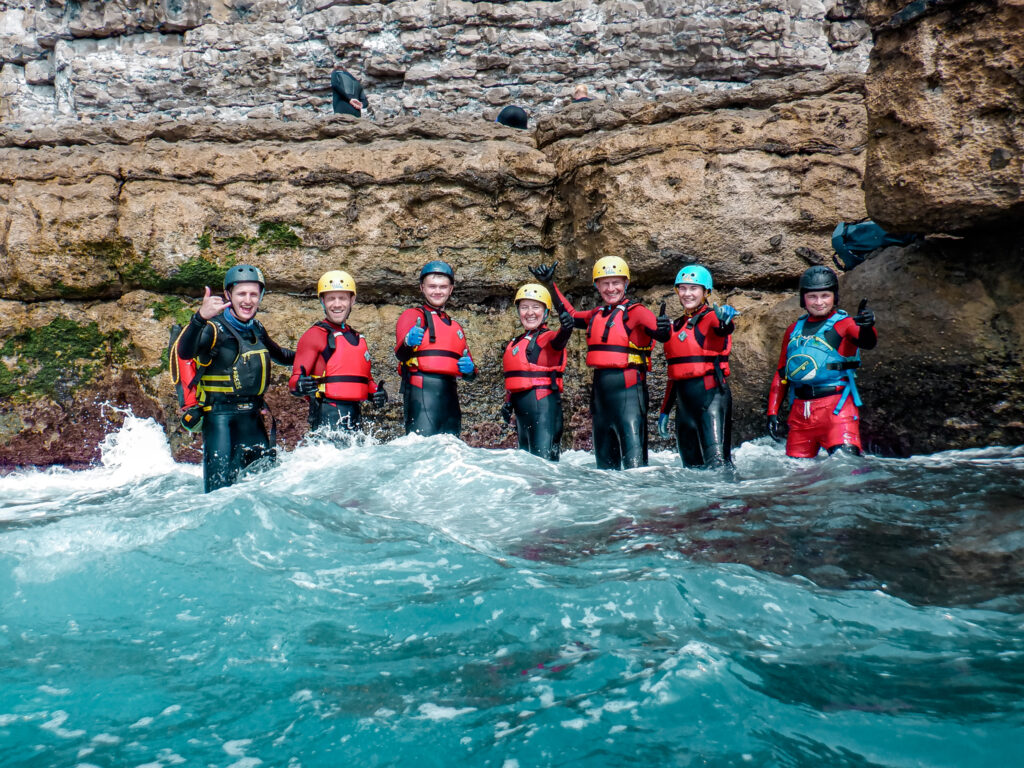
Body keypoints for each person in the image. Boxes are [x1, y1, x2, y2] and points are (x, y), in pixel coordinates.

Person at [531, 258, 672, 469]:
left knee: (636, 470)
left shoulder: (637, 312)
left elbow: (662, 334)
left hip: (630, 396)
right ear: (597, 285)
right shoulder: (597, 314)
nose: (610, 288)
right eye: (604, 283)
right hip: (601, 400)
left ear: (626, 283)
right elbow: (569, 315)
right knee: (605, 472)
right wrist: (550, 285)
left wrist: (663, 329)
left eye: (616, 282)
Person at [175, 265, 295, 492]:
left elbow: (281, 356)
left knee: (264, 489)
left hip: (252, 417)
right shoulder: (214, 329)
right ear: (228, 295)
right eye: (241, 294)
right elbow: (185, 352)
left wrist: (320, 357)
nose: (248, 300)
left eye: (253, 294)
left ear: (260, 297)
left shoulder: (256, 329)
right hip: (220, 420)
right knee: (219, 493)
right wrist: (199, 318)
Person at [766, 265, 877, 457]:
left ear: (834, 297)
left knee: (846, 469)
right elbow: (782, 373)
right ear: (803, 299)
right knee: (798, 479)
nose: (819, 302)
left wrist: (867, 326)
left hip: (837, 410)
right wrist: (772, 411)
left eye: (825, 296)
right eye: (812, 297)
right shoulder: (793, 330)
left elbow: (867, 342)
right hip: (801, 414)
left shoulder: (846, 324)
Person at [656, 265, 736, 468]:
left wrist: (726, 320)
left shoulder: (711, 317)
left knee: (719, 466)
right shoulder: (676, 325)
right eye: (682, 288)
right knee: (691, 471)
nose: (687, 294)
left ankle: (728, 499)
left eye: (693, 289)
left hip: (711, 401)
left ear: (705, 292)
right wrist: (665, 411)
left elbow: (722, 328)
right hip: (684, 409)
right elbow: (674, 375)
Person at [289, 270, 388, 433]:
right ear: (322, 302)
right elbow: (294, 382)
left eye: (342, 298)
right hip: (327, 414)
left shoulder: (358, 338)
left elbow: (367, 381)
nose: (336, 304)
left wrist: (378, 393)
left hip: (355, 415)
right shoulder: (314, 335)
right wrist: (301, 384)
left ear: (352, 300)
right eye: (330, 299)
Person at [394, 261, 476, 437]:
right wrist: (408, 341)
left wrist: (470, 370)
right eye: (432, 286)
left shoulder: (455, 327)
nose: (437, 291)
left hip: (450, 397)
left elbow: (472, 374)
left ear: (451, 289)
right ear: (422, 288)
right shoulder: (414, 316)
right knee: (423, 452)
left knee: (451, 453)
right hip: (421, 391)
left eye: (443, 287)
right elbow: (401, 353)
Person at [501, 283, 575, 461]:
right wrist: (509, 402)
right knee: (528, 469)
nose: (530, 312)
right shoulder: (516, 341)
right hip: (522, 412)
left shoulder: (548, 338)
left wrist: (566, 327)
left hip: (544, 410)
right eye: (524, 307)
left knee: (543, 468)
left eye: (536, 307)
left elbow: (561, 337)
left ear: (546, 312)